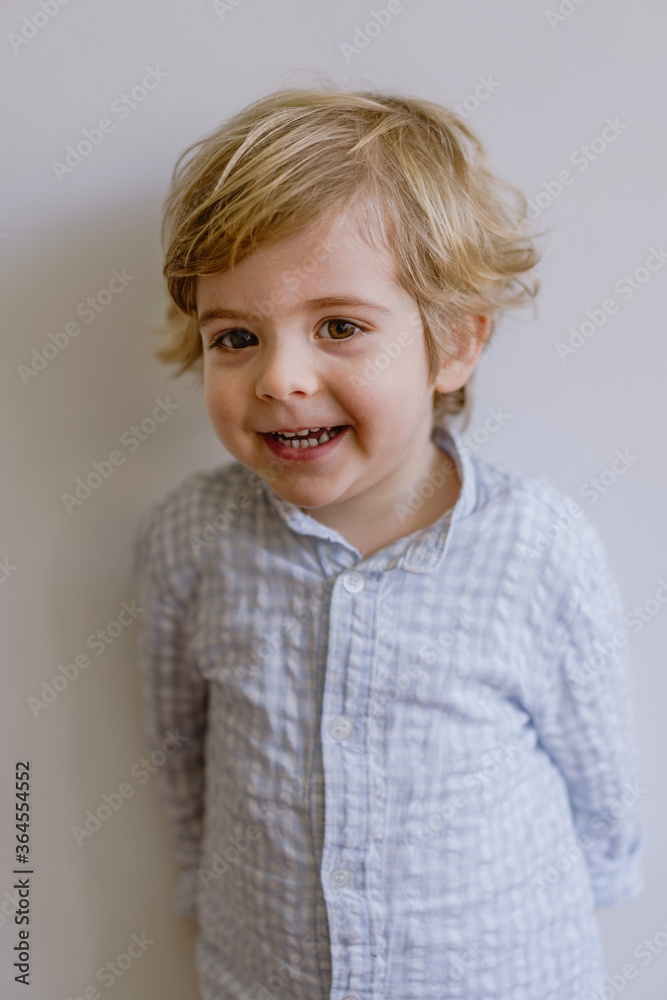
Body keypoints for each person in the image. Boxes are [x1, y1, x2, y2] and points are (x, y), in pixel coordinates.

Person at [133, 86, 643, 1000]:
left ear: (451, 344)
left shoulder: (536, 548)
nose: (282, 380)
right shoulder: (191, 540)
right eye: (237, 337)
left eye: (339, 327)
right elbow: (181, 757)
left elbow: (598, 785)